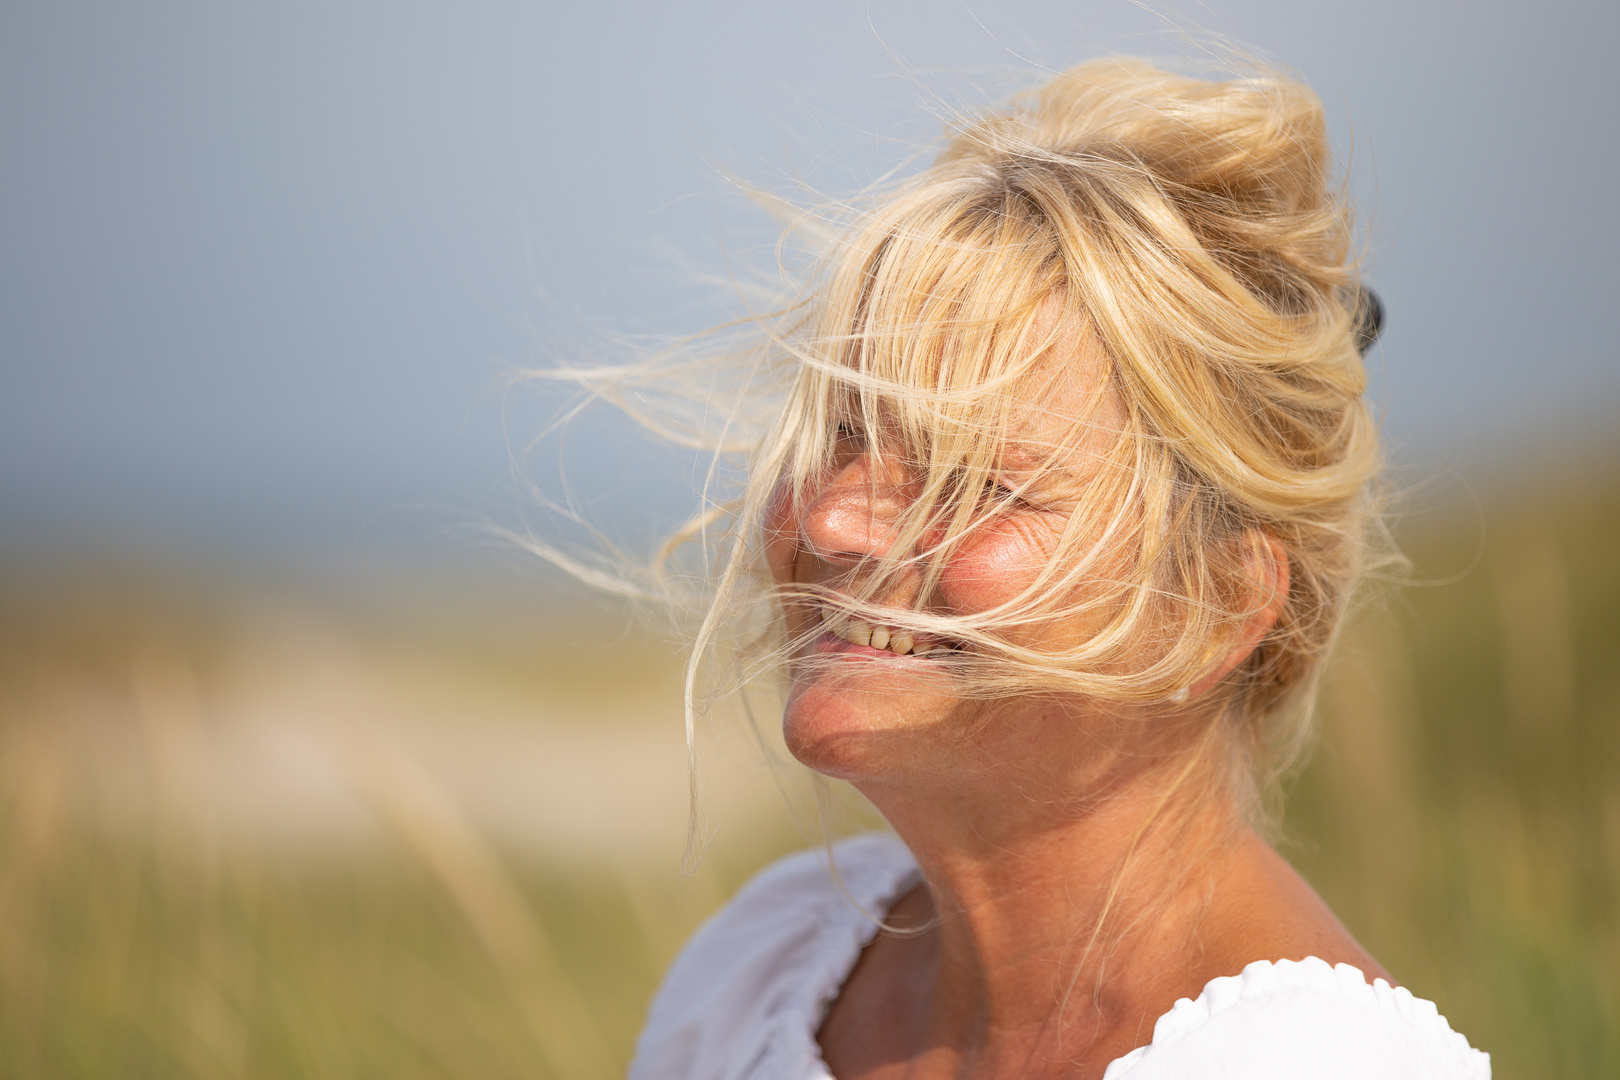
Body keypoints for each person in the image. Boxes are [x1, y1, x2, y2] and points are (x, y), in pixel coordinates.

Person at [615, 57, 1490, 1079]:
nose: (836, 516)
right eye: (841, 434)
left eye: (976, 476)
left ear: (1217, 606)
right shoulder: (761, 975)